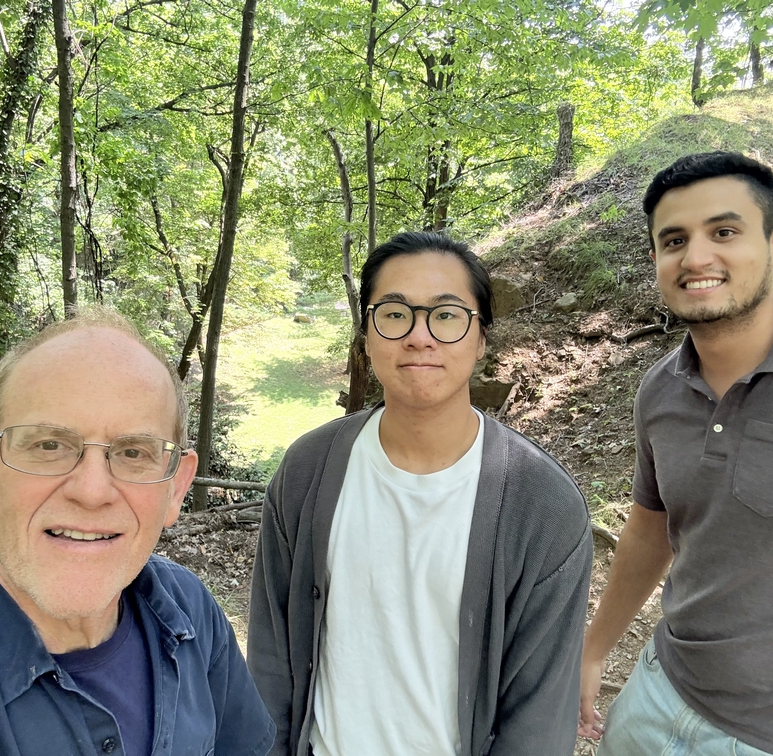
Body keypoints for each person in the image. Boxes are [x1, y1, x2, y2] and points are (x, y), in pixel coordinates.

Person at [0, 311, 275, 756]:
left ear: (176, 488)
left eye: (133, 452)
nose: (92, 492)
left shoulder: (187, 612)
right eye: (49, 445)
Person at [247, 230, 593, 756]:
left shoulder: (541, 504)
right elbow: (272, 654)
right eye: (393, 313)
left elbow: (540, 716)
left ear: (481, 339)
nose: (419, 336)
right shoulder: (308, 470)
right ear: (366, 332)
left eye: (447, 315)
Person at [578, 152, 773, 756]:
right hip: (656, 692)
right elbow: (651, 530)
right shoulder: (660, 388)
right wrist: (594, 650)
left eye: (725, 232)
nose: (697, 257)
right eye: (674, 239)